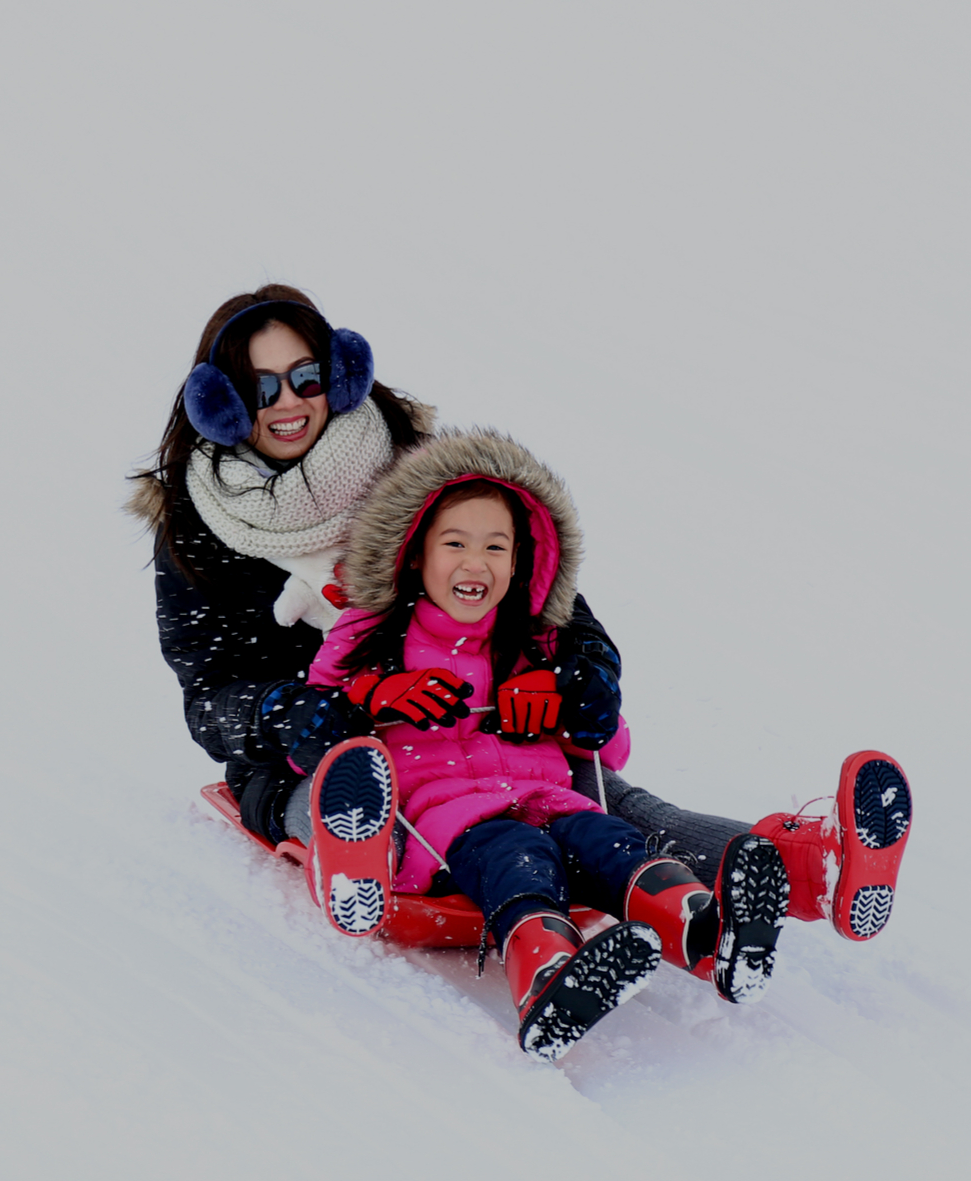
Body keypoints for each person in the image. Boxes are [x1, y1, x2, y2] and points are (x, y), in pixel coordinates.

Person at [128, 285, 913, 949]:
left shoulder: (417, 473)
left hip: (477, 726)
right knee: (348, 789)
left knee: (612, 805)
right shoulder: (201, 529)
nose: (290, 403)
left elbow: (546, 593)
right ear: (224, 406)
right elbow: (210, 692)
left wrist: (573, 670)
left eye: (304, 377)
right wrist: (296, 711)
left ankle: (813, 863)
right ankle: (358, 857)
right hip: (317, 749)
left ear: (338, 374)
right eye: (262, 389)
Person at [301, 436, 791, 1057]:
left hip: (549, 796)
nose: (474, 562)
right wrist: (376, 695)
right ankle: (548, 977)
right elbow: (315, 728)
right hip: (450, 820)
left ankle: (704, 931)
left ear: (518, 563)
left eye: (494, 547)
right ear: (416, 554)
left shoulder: (539, 641)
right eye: (455, 543)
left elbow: (608, 752)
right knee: (519, 858)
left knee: (610, 844)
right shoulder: (371, 633)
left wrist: (567, 699)